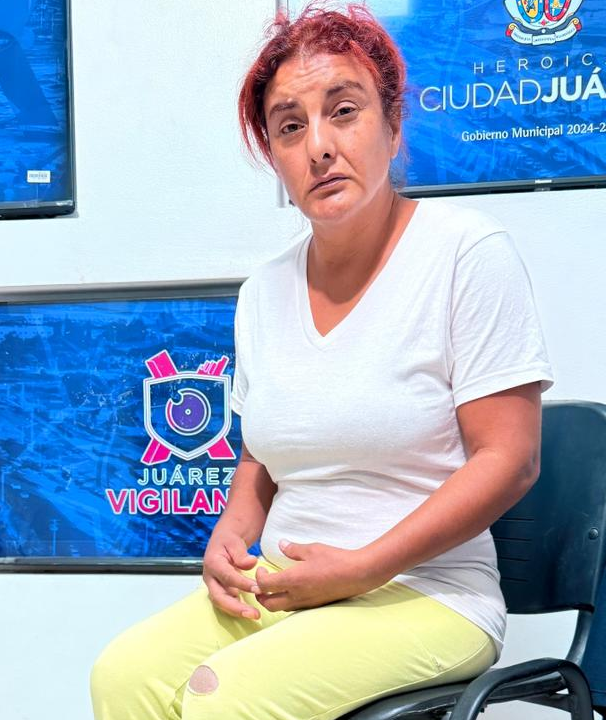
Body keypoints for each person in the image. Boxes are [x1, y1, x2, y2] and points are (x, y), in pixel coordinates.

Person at [90, 5, 554, 719]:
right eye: (289, 126)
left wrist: (362, 567)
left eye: (343, 111)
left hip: (427, 593)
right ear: (273, 157)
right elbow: (260, 455)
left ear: (392, 125)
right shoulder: (262, 291)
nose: (319, 147)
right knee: (123, 678)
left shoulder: (466, 253)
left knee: (224, 698)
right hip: (288, 582)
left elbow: (510, 459)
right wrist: (229, 535)